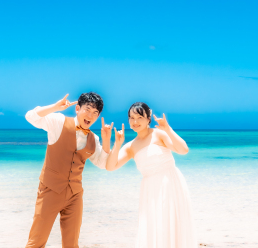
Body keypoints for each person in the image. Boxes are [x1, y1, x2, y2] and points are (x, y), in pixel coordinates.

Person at [24, 92, 114, 248]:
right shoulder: (58, 121)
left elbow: (102, 163)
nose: (90, 115)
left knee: (71, 244)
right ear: (77, 108)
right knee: (36, 242)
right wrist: (55, 107)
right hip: (50, 190)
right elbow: (31, 116)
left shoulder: (93, 138)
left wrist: (106, 141)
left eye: (95, 113)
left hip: (75, 195)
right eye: (87, 109)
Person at [106, 102, 197, 248]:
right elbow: (110, 167)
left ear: (148, 119)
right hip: (150, 190)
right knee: (155, 227)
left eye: (139, 117)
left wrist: (167, 128)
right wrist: (117, 144)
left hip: (170, 184)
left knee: (170, 224)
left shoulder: (159, 134)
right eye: (131, 118)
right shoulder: (130, 146)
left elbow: (183, 150)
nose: (135, 122)